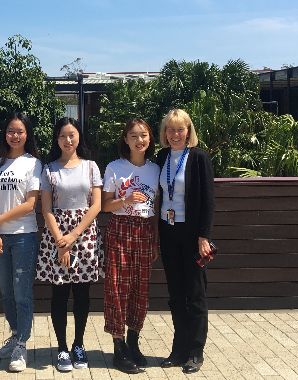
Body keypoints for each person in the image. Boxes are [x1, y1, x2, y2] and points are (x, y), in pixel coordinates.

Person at [36, 118, 103, 372]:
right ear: (57, 139)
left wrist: (73, 236)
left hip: (84, 234)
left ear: (78, 137)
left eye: (72, 135)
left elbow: (95, 205)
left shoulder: (91, 167)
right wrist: (61, 241)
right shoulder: (49, 169)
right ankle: (62, 348)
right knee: (60, 294)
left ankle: (79, 344)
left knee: (83, 294)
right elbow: (46, 208)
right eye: (63, 136)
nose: (68, 140)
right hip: (57, 234)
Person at [156, 108, 215, 374]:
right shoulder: (162, 156)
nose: (175, 134)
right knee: (176, 294)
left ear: (188, 131)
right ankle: (178, 349)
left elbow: (208, 200)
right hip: (168, 232)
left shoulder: (199, 157)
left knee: (195, 294)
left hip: (192, 235)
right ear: (165, 133)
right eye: (171, 129)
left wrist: (204, 236)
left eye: (180, 129)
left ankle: (195, 351)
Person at [0, 112, 42, 372]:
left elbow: (30, 204)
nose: (15, 135)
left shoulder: (33, 163)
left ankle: (22, 345)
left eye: (20, 131)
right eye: (10, 131)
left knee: (21, 292)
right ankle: (16, 333)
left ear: (27, 134)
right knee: (6, 291)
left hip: (23, 236)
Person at [102, 118, 160, 374]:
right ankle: (118, 347)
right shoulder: (115, 168)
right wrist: (124, 199)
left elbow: (156, 208)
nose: (139, 140)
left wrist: (156, 238)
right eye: (134, 136)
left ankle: (134, 343)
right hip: (120, 228)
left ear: (150, 139)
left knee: (140, 288)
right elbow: (105, 205)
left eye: (144, 135)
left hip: (145, 230)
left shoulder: (156, 169)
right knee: (116, 287)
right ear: (125, 139)